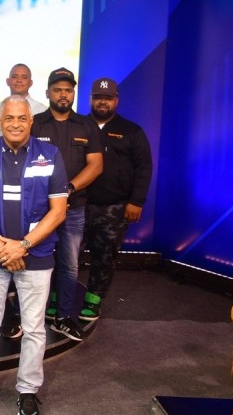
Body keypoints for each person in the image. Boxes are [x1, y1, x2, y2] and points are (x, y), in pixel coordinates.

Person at [0, 95, 68, 415]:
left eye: (22, 118)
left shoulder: (50, 155)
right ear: (0, 121)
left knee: (34, 328)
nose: (16, 124)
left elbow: (58, 210)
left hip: (36, 255)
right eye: (9, 118)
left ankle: (28, 389)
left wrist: (22, 246)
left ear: (31, 121)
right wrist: (2, 247)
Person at [31, 67, 103, 342]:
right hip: (38, 209)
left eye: (68, 90)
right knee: (31, 262)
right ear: (47, 92)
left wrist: (68, 189)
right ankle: (27, 316)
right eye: (58, 90)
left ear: (74, 93)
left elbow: (95, 166)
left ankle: (62, 317)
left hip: (74, 208)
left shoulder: (86, 126)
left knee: (69, 266)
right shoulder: (36, 123)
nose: (63, 94)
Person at [82, 77, 152, 321]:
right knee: (67, 256)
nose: (103, 102)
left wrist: (137, 201)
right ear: (90, 99)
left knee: (105, 256)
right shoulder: (79, 126)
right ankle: (60, 298)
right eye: (98, 97)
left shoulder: (132, 131)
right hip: (77, 205)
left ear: (116, 100)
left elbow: (143, 167)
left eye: (108, 98)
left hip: (114, 207)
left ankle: (93, 300)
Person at [0, 64, 48, 136]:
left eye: (24, 77)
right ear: (7, 81)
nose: (19, 80)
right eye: (14, 77)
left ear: (30, 83)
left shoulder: (41, 110)